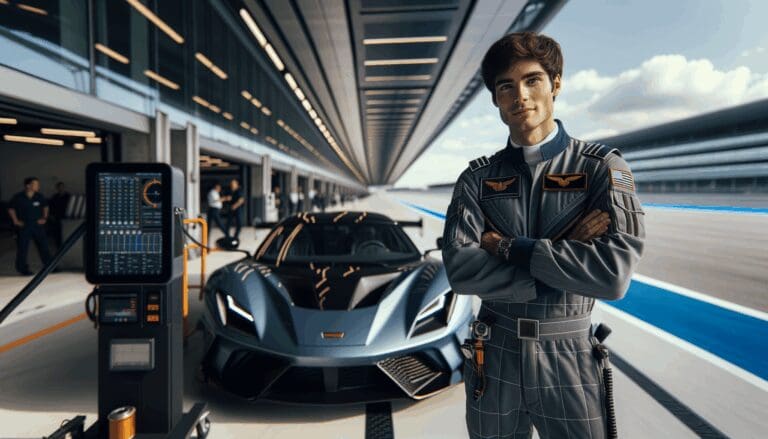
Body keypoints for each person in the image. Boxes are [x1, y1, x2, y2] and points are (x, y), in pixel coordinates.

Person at [441, 32, 645, 439]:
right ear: (496, 99)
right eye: (506, 86)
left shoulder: (601, 169)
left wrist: (507, 247)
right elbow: (462, 270)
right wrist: (566, 256)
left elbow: (612, 275)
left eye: (532, 80)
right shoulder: (475, 180)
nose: (521, 95)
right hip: (494, 352)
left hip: (568, 354)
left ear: (556, 83)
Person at [8, 176, 53, 275]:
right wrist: (15, 221)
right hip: (24, 226)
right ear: (28, 185)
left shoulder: (39, 196)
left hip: (37, 225)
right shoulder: (18, 197)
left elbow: (45, 206)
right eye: (35, 184)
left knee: (44, 246)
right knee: (23, 248)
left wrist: (44, 218)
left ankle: (50, 266)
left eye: (38, 184)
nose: (38, 186)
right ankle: (23, 269)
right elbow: (11, 209)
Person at [48, 181, 70, 248]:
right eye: (59, 187)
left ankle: (66, 246)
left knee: (66, 232)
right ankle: (59, 247)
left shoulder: (68, 196)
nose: (61, 188)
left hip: (66, 218)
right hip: (57, 218)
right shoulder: (54, 197)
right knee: (57, 233)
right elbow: (50, 207)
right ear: (57, 188)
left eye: (62, 187)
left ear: (64, 187)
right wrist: (51, 215)